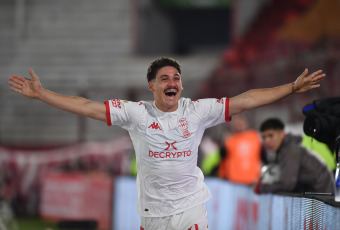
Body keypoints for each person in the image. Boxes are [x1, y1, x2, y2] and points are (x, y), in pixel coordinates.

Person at [9, 57, 325, 229]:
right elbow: (86, 106)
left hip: (190, 207)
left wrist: (291, 88)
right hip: (153, 212)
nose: (171, 82)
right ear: (152, 86)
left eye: (176, 78)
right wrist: (42, 94)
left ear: (182, 85)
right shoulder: (135, 114)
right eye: (164, 78)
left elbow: (245, 100)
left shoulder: (198, 110)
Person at [254, 118, 334, 195]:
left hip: (322, 197)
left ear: (282, 134)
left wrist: (262, 188)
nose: (267, 141)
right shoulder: (285, 149)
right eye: (264, 137)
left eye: (270, 135)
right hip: (317, 195)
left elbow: (287, 184)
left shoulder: (290, 150)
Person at [218, 115, 263, 185]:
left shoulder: (255, 136)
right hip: (234, 180)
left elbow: (263, 154)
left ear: (246, 124)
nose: (239, 126)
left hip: (253, 179)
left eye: (241, 123)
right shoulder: (230, 140)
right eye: (237, 124)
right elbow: (223, 158)